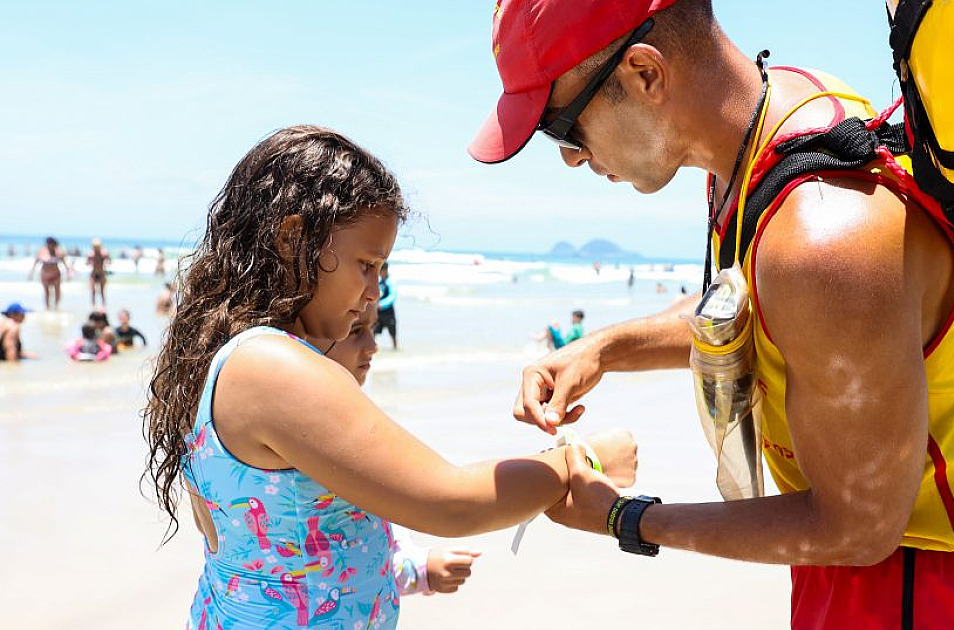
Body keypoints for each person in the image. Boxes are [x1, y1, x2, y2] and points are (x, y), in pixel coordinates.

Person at [473, 2, 954, 628]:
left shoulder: (824, 235)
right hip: (861, 559)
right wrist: (604, 349)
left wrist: (622, 518)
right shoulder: (772, 122)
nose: (571, 159)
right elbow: (762, 305)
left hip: (916, 578)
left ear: (645, 74)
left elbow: (858, 529)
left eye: (561, 128)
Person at [141, 126, 637, 630]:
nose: (374, 290)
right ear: (292, 239)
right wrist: (577, 460)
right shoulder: (270, 367)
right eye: (366, 264)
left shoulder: (242, 357)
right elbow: (450, 503)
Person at [324, 307, 482, 595]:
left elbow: (375, 533)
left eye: (372, 329)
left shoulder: (354, 416)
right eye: (356, 330)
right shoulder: (323, 434)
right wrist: (420, 572)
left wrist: (419, 565)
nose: (374, 345)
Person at [28, 236, 73, 310]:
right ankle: (48, 308)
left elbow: (65, 263)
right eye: (49, 244)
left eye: (52, 244)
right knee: (47, 292)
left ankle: (56, 306)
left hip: (56, 274)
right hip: (45, 274)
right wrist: (32, 272)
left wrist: (69, 273)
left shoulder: (59, 252)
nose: (50, 246)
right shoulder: (42, 251)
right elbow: (36, 262)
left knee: (57, 291)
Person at [374, 262, 398, 350]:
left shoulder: (390, 282)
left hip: (388, 312)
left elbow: (392, 296)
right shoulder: (379, 282)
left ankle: (395, 350)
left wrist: (381, 304)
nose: (381, 273)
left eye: (383, 271)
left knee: (393, 334)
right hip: (378, 312)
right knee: (373, 333)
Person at [87, 238, 111, 308]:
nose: (96, 248)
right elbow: (87, 263)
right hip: (94, 274)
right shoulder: (91, 255)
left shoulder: (104, 254)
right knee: (93, 291)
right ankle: (94, 306)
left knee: (102, 291)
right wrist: (90, 261)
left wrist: (106, 261)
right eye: (95, 247)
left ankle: (103, 306)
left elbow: (110, 261)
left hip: (101, 273)